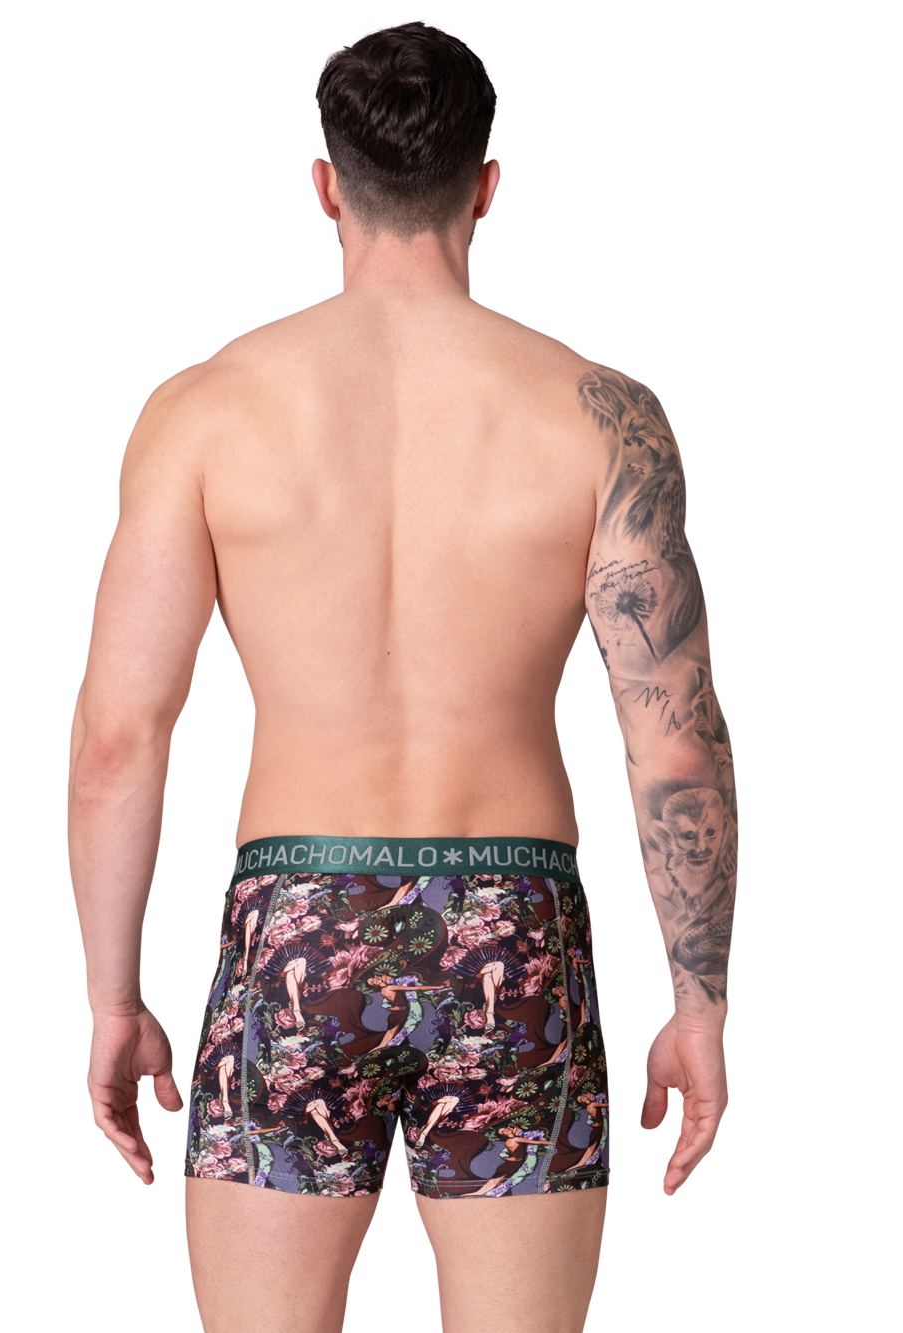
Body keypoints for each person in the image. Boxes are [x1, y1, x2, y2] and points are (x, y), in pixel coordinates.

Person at [68, 20, 737, 1333]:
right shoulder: (600, 418)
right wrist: (702, 1005)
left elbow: (117, 738)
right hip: (516, 926)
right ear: (487, 186)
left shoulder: (206, 413)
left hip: (296, 931)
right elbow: (674, 741)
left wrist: (112, 1001)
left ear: (328, 187)